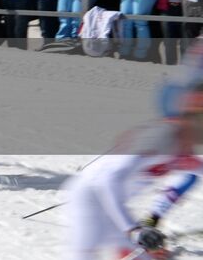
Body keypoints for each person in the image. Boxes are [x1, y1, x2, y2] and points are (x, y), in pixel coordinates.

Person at [60, 91, 203, 260]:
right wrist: (133, 230)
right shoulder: (162, 137)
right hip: (90, 198)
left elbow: (196, 171)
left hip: (112, 208)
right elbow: (107, 180)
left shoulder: (182, 144)